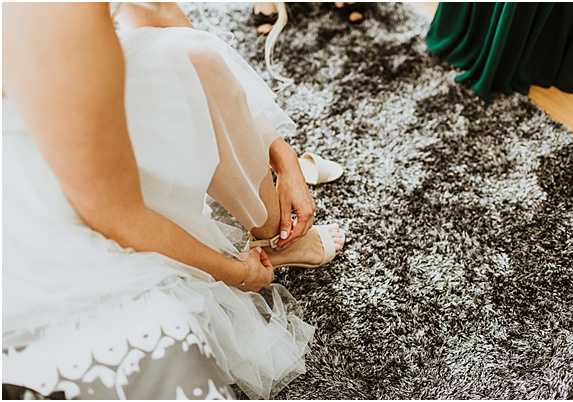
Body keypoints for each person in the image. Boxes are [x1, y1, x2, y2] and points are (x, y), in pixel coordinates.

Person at [2, 3, 344, 399]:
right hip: (32, 195)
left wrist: (284, 157)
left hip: (68, 94)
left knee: (192, 56)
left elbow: (160, 13)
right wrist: (234, 272)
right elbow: (115, 214)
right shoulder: (57, 13)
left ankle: (273, 231)